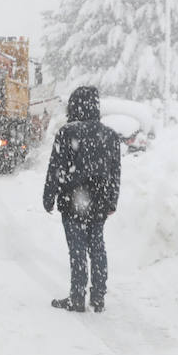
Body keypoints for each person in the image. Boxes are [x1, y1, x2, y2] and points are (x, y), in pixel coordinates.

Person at [42, 85, 122, 312]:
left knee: (77, 249)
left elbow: (55, 169)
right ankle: (98, 297)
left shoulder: (67, 132)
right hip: (99, 200)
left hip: (72, 200)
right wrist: (112, 201)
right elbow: (115, 172)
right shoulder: (110, 136)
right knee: (97, 248)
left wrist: (49, 197)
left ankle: (77, 297)